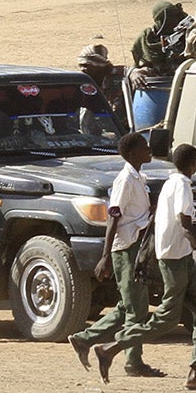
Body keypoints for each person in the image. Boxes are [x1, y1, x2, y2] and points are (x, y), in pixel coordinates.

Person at [95, 143, 196, 390]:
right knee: (166, 319)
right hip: (173, 260)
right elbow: (186, 229)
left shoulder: (170, 182)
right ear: (194, 165)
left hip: (181, 257)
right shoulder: (181, 185)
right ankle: (112, 348)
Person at [69, 132, 163, 376]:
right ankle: (133, 362)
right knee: (136, 309)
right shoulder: (125, 180)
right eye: (144, 147)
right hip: (126, 247)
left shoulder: (139, 177)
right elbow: (114, 214)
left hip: (136, 246)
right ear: (132, 154)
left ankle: (83, 339)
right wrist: (106, 255)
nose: (149, 149)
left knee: (128, 305)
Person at [130, 3, 188, 129]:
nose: (173, 21)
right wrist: (134, 74)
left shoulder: (185, 36)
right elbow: (134, 67)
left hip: (181, 92)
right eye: (169, 18)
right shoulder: (145, 39)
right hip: (152, 93)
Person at [75, 43, 130, 134]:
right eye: (81, 65)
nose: (82, 69)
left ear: (98, 66)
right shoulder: (83, 85)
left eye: (86, 65)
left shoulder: (118, 82)